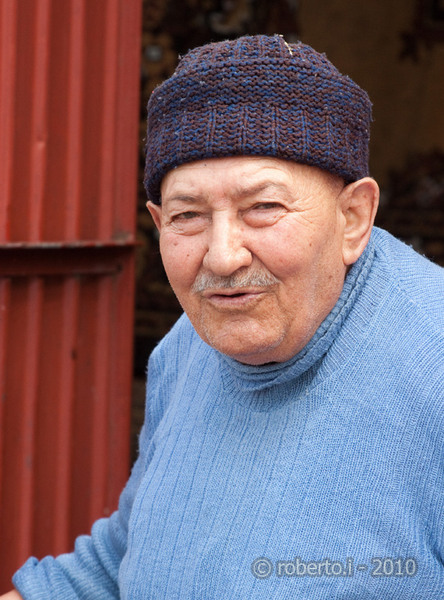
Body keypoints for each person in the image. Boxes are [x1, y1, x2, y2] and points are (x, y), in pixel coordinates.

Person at [4, 34, 444, 599]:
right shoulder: (185, 349)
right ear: (158, 224)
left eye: (263, 207)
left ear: (353, 217)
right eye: (188, 216)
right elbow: (128, 553)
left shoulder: (431, 364)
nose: (222, 256)